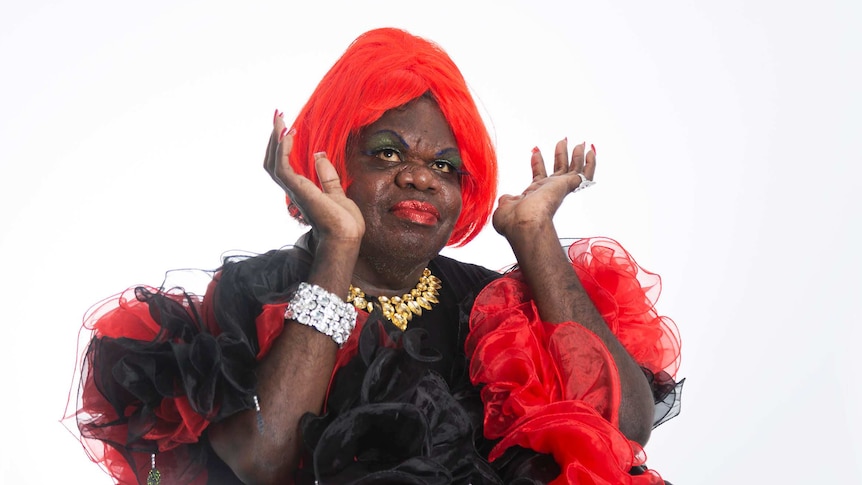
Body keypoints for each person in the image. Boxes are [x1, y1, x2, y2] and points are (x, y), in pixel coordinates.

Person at [67, 28, 683, 484]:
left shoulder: (487, 305)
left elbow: (624, 427)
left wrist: (535, 236)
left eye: (444, 165)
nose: (420, 178)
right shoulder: (257, 291)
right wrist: (338, 247)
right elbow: (262, 458)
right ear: (333, 163)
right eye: (388, 153)